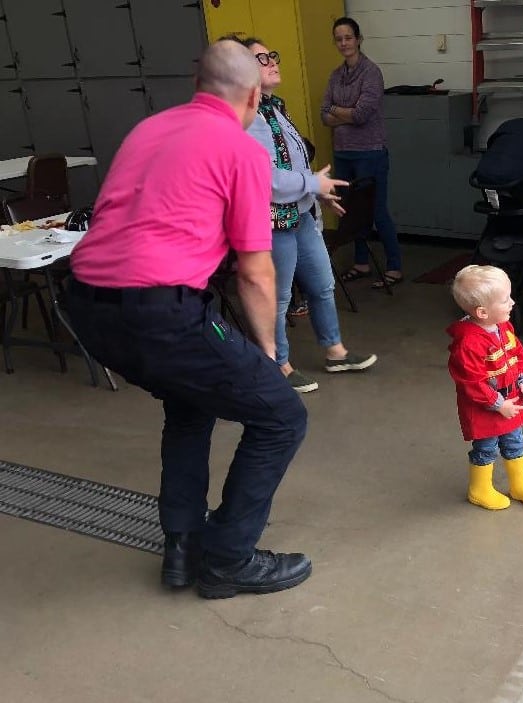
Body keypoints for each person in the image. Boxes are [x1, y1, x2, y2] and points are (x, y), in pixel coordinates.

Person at [66, 39, 312, 599]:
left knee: (189, 402)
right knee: (281, 416)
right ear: (253, 96)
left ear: (198, 86)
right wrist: (269, 356)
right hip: (159, 309)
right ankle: (227, 559)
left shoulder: (148, 129)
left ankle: (181, 545)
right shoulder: (241, 149)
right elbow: (255, 272)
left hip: (85, 305)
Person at [244, 37, 377, 394]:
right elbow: (265, 179)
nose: (273, 62)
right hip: (273, 223)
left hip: (301, 215)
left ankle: (335, 352)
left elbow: (293, 162)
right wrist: (312, 184)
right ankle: (278, 364)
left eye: (272, 55)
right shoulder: (246, 117)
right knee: (278, 298)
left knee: (322, 285)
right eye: (261, 59)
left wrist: (317, 192)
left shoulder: (274, 107)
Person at [447, 265, 523, 510]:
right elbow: (472, 382)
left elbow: (518, 355)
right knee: (486, 448)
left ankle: (519, 485)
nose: (512, 303)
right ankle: (479, 490)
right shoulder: (468, 344)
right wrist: (498, 404)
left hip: (511, 401)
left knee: (515, 443)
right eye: (505, 300)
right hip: (486, 409)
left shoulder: (504, 327)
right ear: (482, 312)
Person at [320, 16, 403, 288]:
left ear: (358, 39)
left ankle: (394, 267)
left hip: (370, 152)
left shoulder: (371, 73)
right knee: (351, 211)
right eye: (339, 39)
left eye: (348, 38)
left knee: (376, 210)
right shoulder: (335, 75)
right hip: (343, 152)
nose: (344, 43)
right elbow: (324, 115)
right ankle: (361, 263)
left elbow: (362, 114)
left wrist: (337, 111)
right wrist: (347, 113)